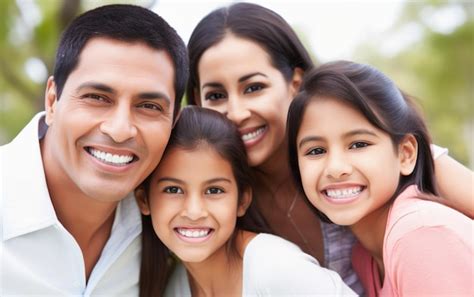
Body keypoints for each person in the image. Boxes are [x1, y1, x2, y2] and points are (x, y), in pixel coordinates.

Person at [186, 2, 474, 294]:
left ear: (295, 83)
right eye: (216, 95)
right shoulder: (211, 196)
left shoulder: (393, 170)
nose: (236, 112)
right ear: (198, 100)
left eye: (254, 88)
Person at [0, 4, 188, 295]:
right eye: (97, 97)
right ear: (52, 101)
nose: (120, 129)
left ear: (173, 121)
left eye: (149, 106)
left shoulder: (175, 227)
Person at [287, 60, 473, 296]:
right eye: (316, 151)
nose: (335, 168)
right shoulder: (365, 257)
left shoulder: (419, 233)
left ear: (405, 154)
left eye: (359, 144)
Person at [135, 106, 356, 296]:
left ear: (242, 200)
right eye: (173, 189)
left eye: (214, 190)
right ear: (144, 200)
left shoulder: (275, 268)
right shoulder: (174, 286)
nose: (194, 212)